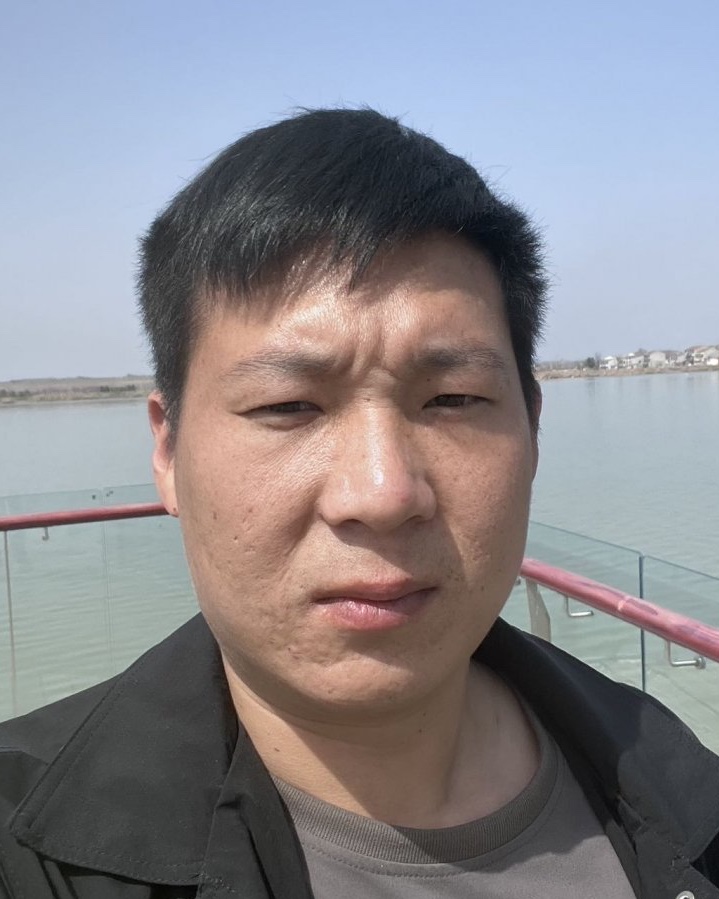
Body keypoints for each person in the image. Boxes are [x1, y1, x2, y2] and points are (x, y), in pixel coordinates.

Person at [1, 108, 718, 899]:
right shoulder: (32, 854)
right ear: (168, 452)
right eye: (288, 406)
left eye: (451, 398)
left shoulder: (682, 792)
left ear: (532, 430)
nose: (381, 493)